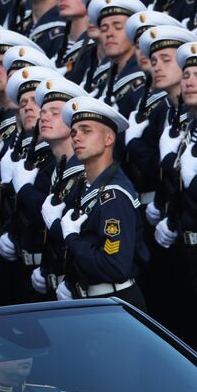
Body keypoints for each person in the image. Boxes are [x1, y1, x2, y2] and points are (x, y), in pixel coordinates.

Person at [55, 95, 147, 305]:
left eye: (86, 130)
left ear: (108, 139)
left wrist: (71, 239)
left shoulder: (114, 195)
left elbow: (115, 266)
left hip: (116, 300)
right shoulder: (85, 187)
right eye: (74, 132)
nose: (77, 137)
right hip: (94, 299)